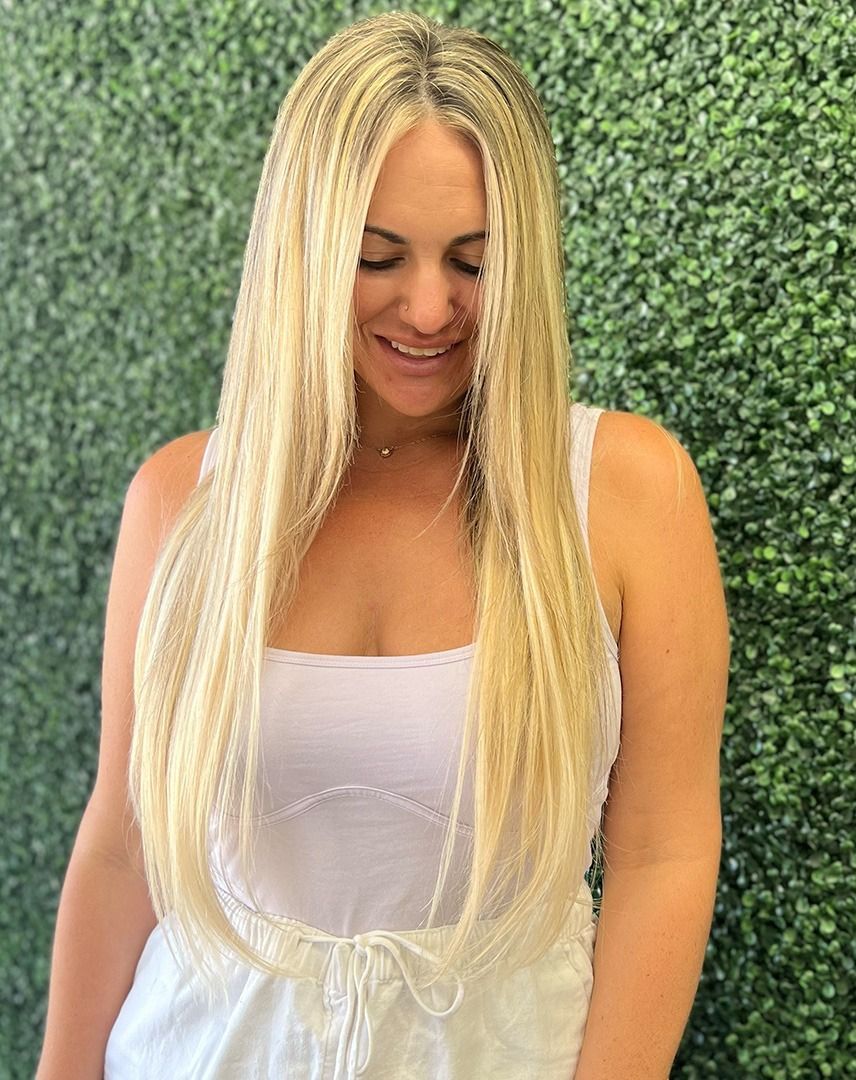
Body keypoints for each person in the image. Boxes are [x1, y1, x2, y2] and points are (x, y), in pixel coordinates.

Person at [36, 11, 730, 1080]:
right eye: (374, 256)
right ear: (304, 253)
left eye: (472, 259)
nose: (428, 306)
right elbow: (122, 843)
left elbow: (663, 850)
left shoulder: (628, 493)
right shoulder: (181, 502)